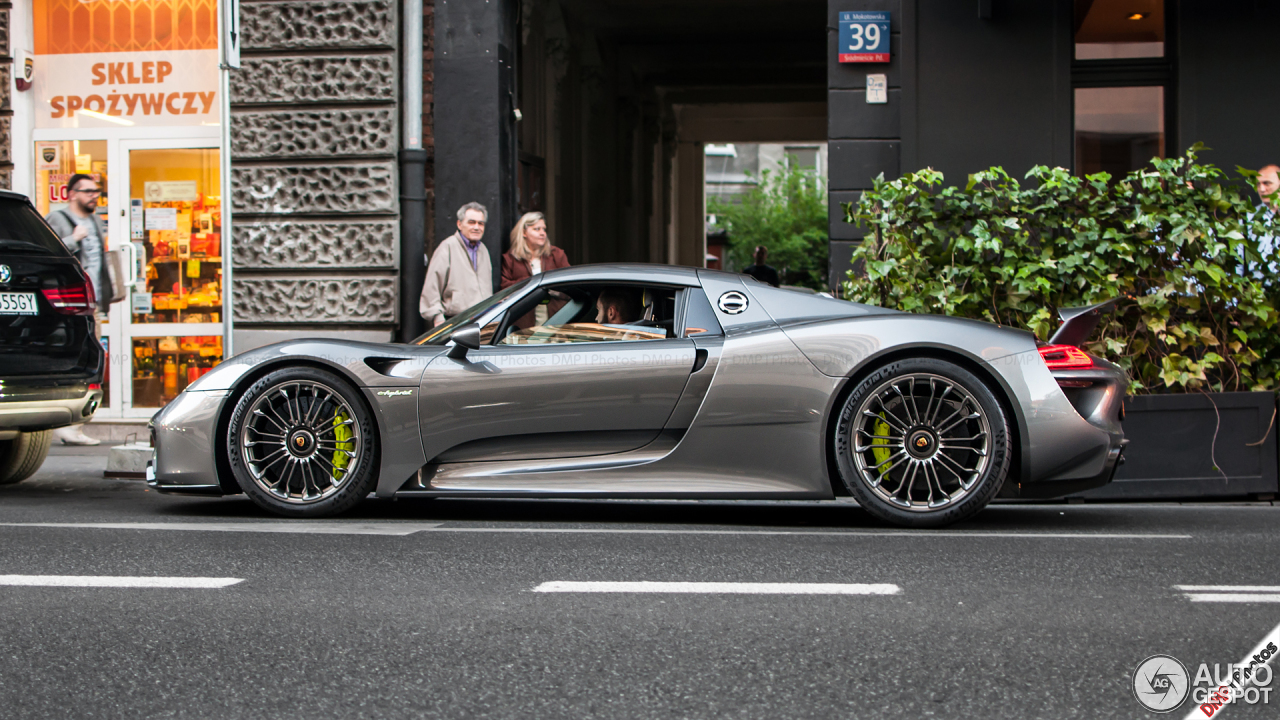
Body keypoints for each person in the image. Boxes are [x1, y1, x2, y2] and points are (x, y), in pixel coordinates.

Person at [46, 174, 111, 446]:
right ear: (71, 193)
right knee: (76, 359)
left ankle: (75, 423)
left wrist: (106, 296)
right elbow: (49, 253)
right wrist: (73, 239)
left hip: (90, 302)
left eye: (96, 191)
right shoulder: (58, 220)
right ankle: (68, 423)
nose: (93, 196)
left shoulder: (95, 220)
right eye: (87, 191)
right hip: (68, 303)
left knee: (90, 361)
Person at [420, 202, 494, 328]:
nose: (477, 227)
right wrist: (438, 318)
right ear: (459, 224)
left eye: (480, 223)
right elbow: (431, 288)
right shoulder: (447, 247)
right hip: (455, 321)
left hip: (483, 321)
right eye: (471, 222)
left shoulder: (484, 250)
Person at [501, 212, 570, 329]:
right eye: (537, 229)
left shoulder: (556, 255)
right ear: (523, 232)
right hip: (524, 324)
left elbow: (571, 285)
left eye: (544, 229)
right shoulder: (510, 259)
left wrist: (552, 288)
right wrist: (531, 283)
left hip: (556, 321)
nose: (542, 233)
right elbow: (505, 289)